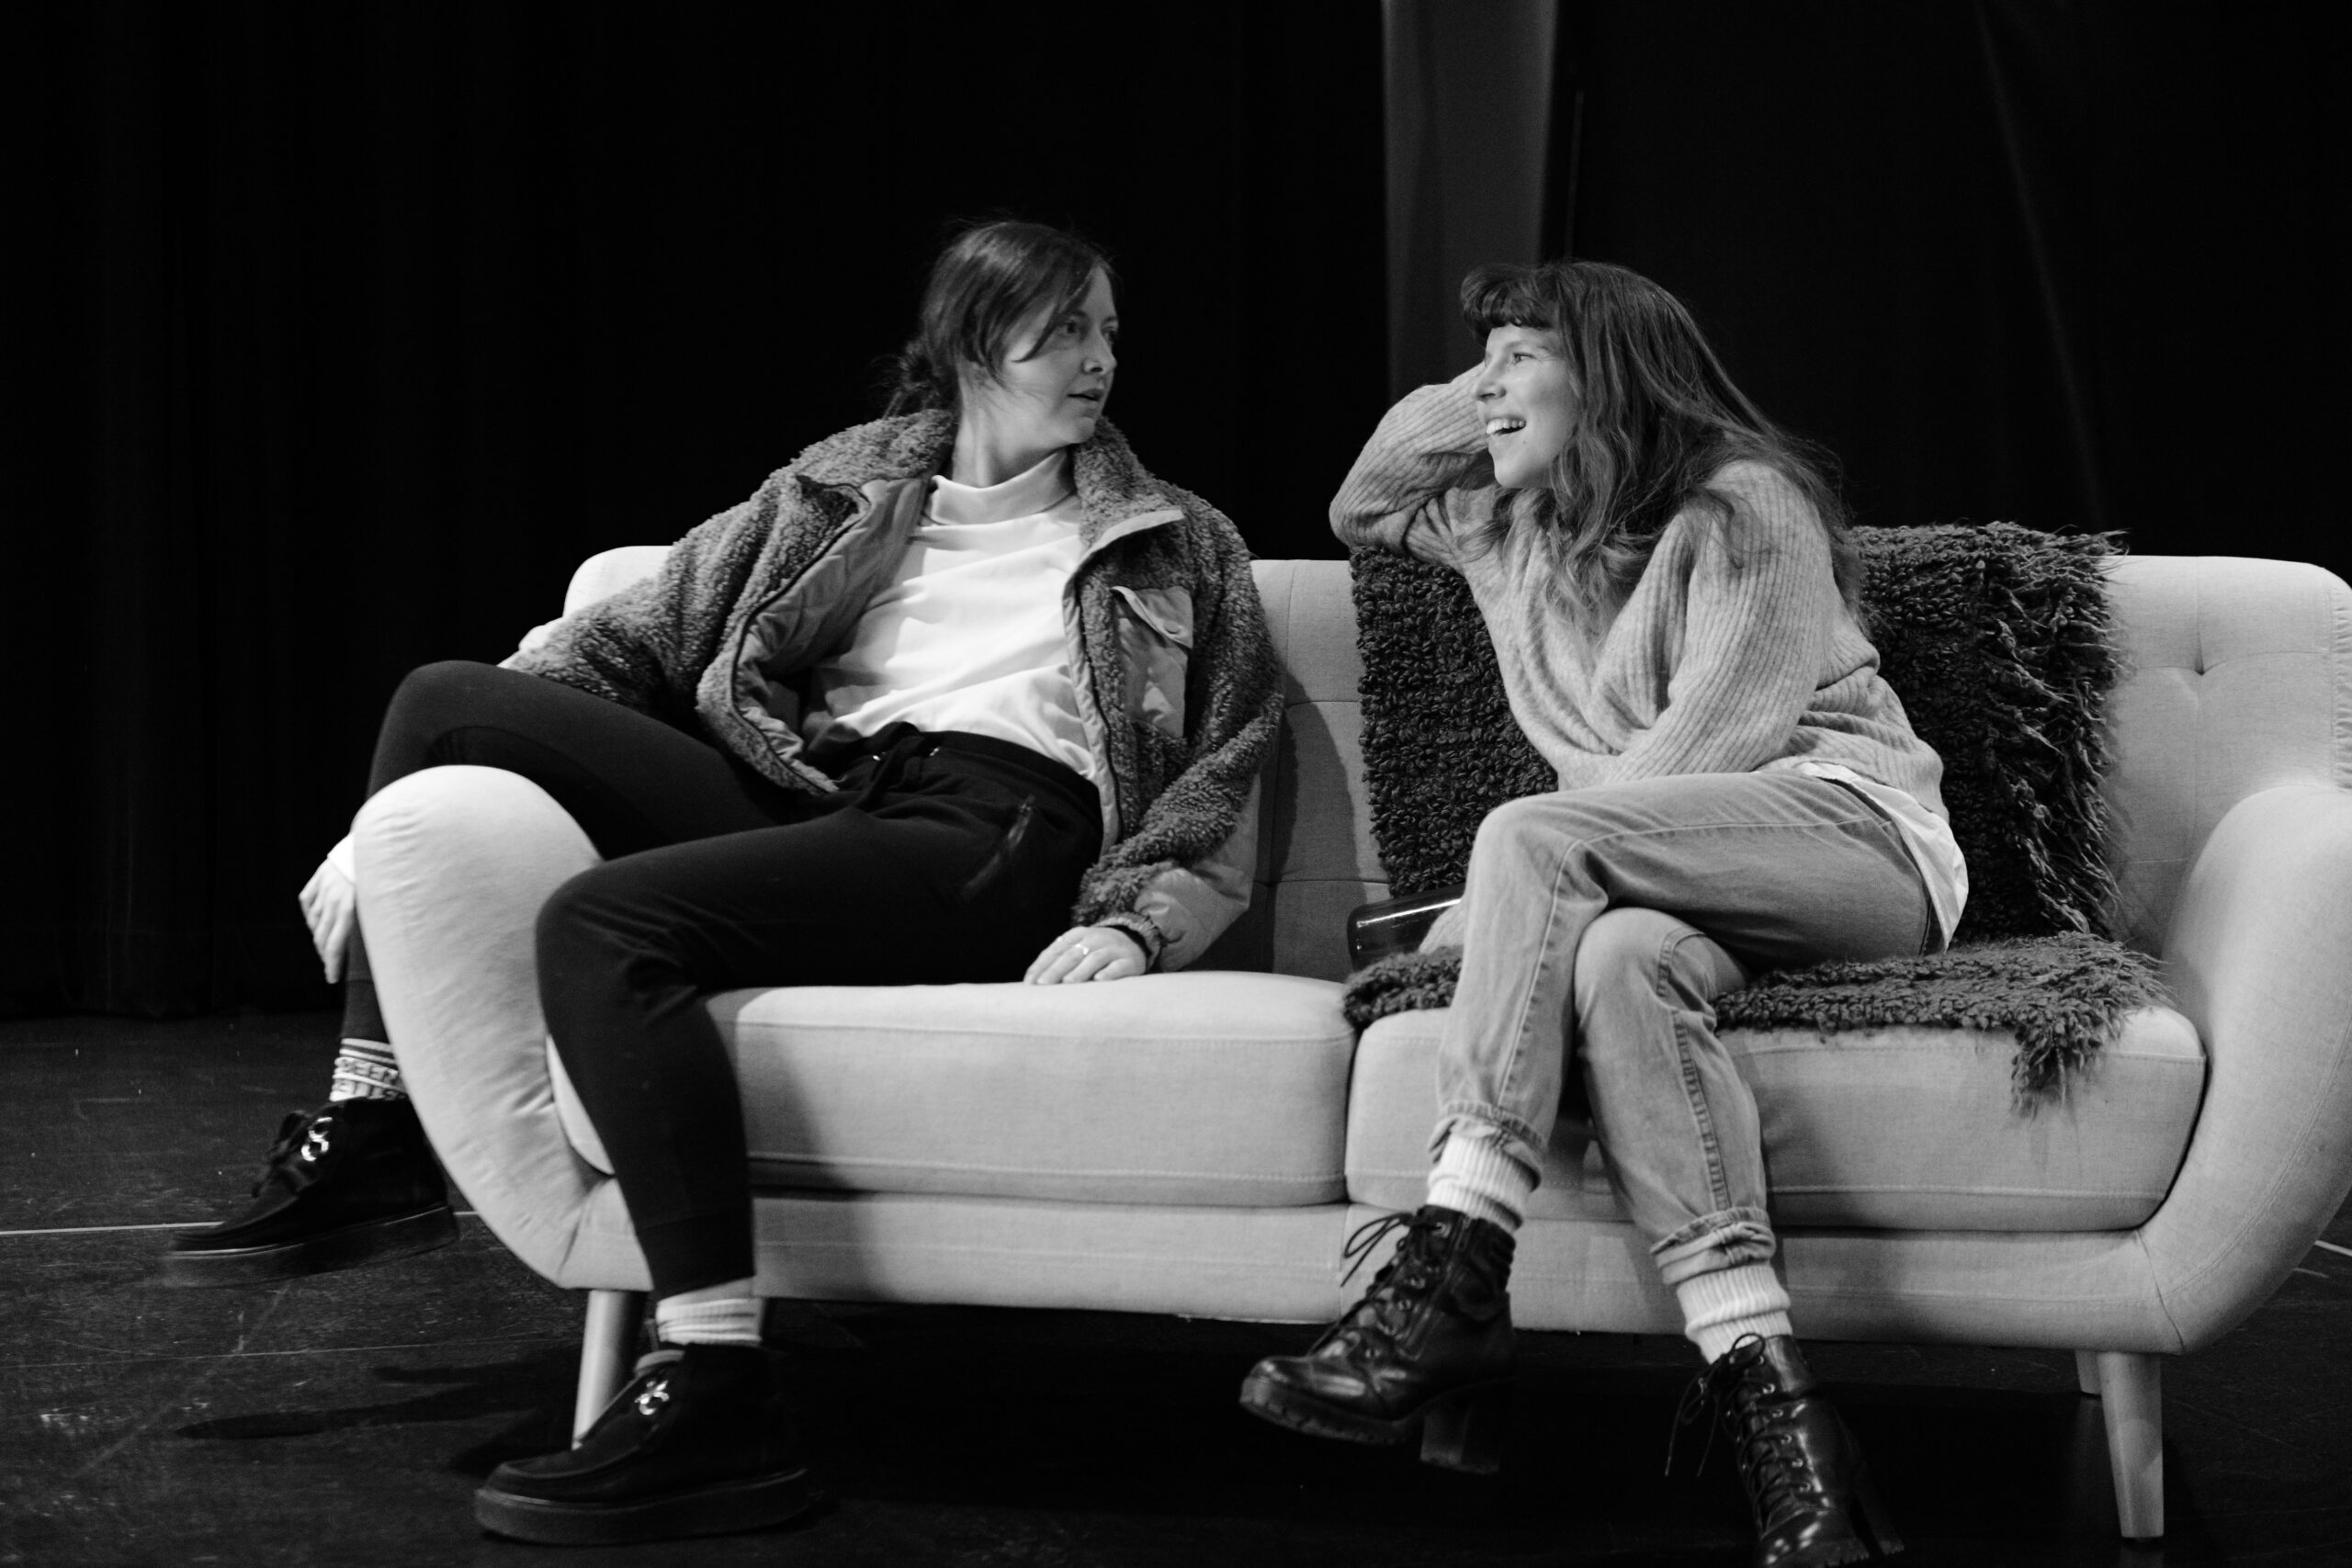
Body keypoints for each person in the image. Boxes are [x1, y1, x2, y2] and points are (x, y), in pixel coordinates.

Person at [166, 219, 1281, 1546]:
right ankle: (374, 1127)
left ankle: (715, 1382)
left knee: (600, 924)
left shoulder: (1171, 538)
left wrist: (1146, 923)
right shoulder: (837, 491)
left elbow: (1230, 761)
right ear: (976, 344)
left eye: (1110, 331)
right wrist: (378, 833)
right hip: (834, 790)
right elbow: (626, 636)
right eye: (1069, 331)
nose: (1102, 360)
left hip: (999, 827)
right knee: (446, 700)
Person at [1239, 259, 1958, 1567]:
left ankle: (1453, 1267)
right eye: (1482, 360)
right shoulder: (1511, 531)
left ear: (1613, 376)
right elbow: (1365, 499)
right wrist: (1501, 391)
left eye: (1522, 356)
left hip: (1847, 835)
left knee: (1529, 833)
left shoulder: (1747, 504)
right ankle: (1782, 1414)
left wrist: (1507, 895)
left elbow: (1716, 741)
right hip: (1651, 875)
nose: (1484, 386)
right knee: (1622, 965)